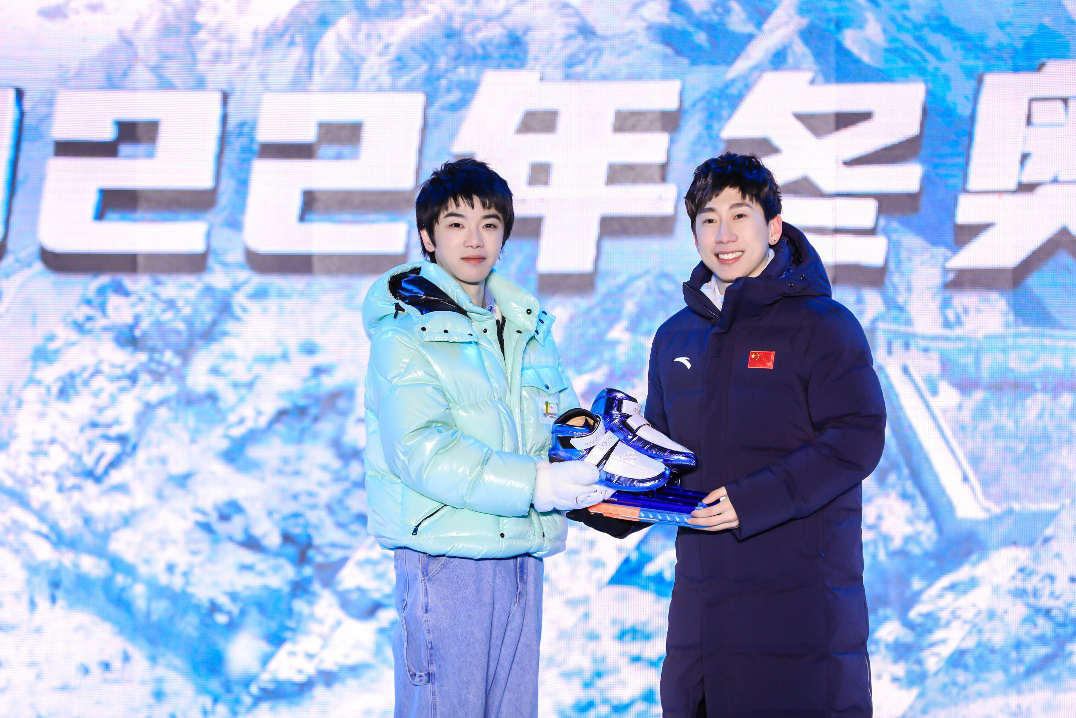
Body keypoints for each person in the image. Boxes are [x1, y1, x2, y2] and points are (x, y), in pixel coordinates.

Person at [569, 152, 886, 716]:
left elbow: (857, 437)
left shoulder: (823, 325)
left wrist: (751, 500)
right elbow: (663, 461)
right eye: (708, 220)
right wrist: (599, 496)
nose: (724, 234)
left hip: (801, 607)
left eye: (740, 216)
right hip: (702, 613)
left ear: (774, 227)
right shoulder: (675, 337)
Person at [362, 158, 611, 717]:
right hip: (446, 557)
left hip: (522, 552)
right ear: (428, 237)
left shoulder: (527, 328)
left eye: (489, 224)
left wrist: (608, 458)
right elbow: (422, 450)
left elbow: (563, 427)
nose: (474, 239)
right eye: (456, 224)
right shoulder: (404, 335)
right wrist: (535, 484)